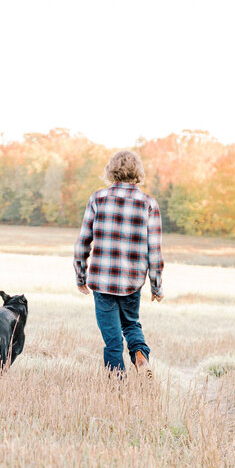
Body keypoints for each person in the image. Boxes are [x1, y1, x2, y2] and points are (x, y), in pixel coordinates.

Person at [73, 149, 163, 376]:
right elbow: (155, 251)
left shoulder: (97, 199)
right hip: (132, 282)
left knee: (113, 340)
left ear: (111, 171)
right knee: (131, 324)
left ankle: (117, 390)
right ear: (137, 172)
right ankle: (140, 358)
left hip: (102, 282)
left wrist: (80, 277)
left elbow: (83, 242)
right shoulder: (148, 204)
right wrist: (156, 286)